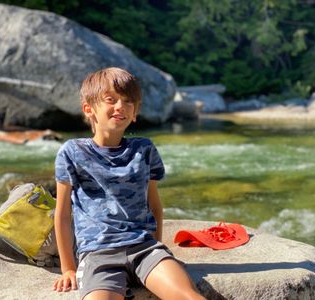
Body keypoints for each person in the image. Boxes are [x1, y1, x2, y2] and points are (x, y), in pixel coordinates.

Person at [52, 67, 205, 300]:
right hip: (98, 254)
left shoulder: (144, 149)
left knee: (189, 297)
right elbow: (63, 213)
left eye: (127, 101)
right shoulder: (72, 152)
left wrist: (158, 251)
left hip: (144, 248)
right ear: (88, 109)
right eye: (110, 100)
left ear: (135, 112)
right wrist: (68, 268)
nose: (120, 106)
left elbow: (154, 205)